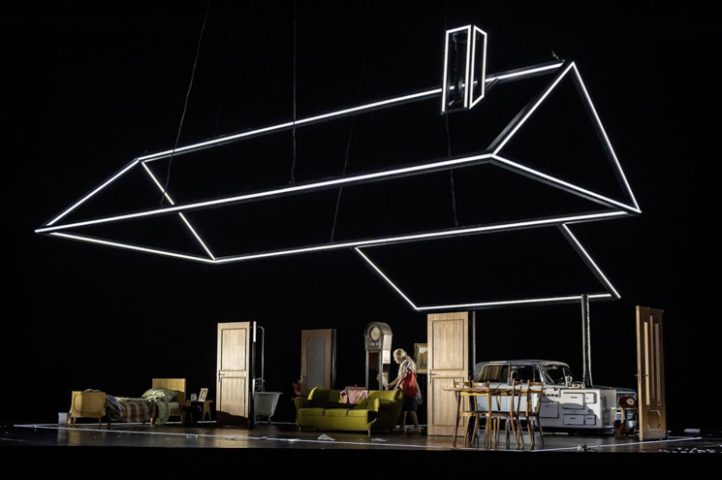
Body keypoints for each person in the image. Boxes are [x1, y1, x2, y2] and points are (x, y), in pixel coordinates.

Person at [386, 348, 421, 432]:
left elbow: (403, 376)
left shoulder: (406, 363)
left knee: (410, 409)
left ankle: (416, 427)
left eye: (395, 357)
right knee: (404, 408)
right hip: (407, 388)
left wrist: (396, 386)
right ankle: (402, 427)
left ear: (399, 356)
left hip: (408, 389)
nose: (394, 359)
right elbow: (400, 377)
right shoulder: (406, 362)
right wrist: (391, 384)